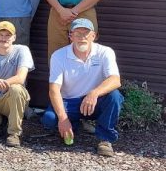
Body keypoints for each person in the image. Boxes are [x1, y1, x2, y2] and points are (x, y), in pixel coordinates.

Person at [41, 18, 123, 158]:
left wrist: (94, 93)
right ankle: (75, 124)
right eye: (77, 33)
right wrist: (63, 118)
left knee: (115, 96)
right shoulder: (59, 55)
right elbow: (54, 90)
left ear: (94, 36)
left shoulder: (105, 52)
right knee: (49, 119)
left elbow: (115, 80)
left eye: (86, 33)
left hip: (94, 102)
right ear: (70, 36)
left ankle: (105, 139)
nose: (82, 37)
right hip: (69, 101)